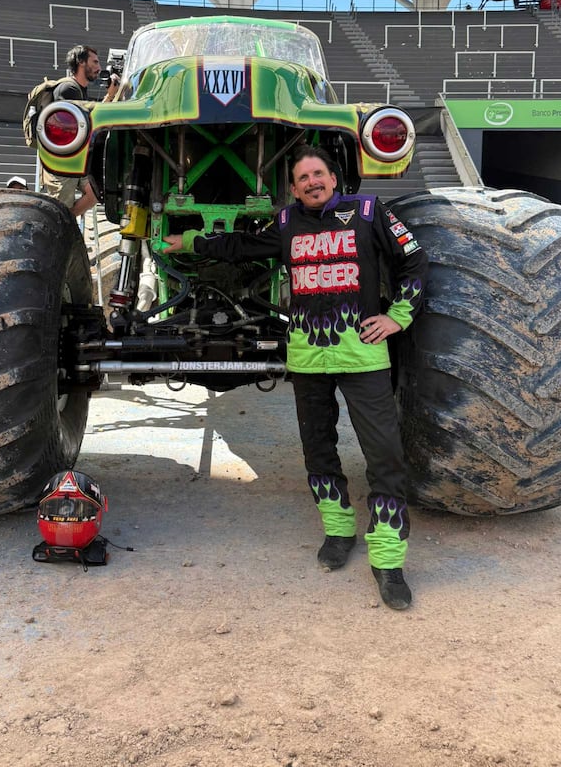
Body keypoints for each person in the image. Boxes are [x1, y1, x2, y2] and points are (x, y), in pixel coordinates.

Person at [163, 145, 428, 610]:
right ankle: (338, 531)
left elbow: (415, 262)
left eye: (318, 174)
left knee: (384, 456)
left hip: (363, 358)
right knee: (318, 452)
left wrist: (397, 318)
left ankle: (388, 560)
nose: (311, 182)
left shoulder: (368, 212)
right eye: (302, 178)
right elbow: (243, 247)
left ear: (333, 177)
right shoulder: (286, 223)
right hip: (308, 359)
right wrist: (191, 244)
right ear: (292, 188)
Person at [40, 44, 119, 217]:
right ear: (81, 62)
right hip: (62, 164)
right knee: (60, 210)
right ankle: (63, 227)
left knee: (94, 193)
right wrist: (110, 96)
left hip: (76, 160)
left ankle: (68, 224)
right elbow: (85, 124)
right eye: (95, 62)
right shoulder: (68, 89)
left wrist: (111, 96)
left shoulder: (79, 90)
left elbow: (91, 119)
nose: (99, 68)